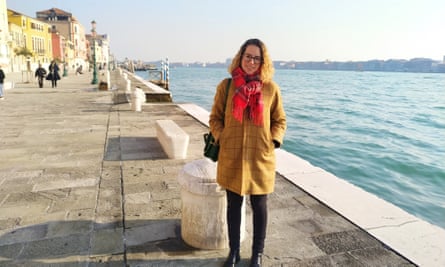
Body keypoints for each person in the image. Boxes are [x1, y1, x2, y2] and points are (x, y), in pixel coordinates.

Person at [209, 38, 286, 267]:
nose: (251, 62)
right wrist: (222, 137)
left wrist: (272, 141)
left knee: (260, 206)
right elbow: (215, 118)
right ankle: (234, 252)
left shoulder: (271, 89)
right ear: (240, 57)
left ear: (263, 62)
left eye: (256, 58)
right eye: (248, 56)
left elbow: (280, 121)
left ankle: (257, 254)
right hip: (232, 155)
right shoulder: (226, 86)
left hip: (260, 156)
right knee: (234, 205)